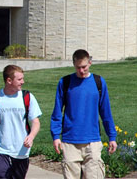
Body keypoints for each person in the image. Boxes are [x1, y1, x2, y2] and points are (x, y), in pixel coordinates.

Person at [50, 49, 117, 179]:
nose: (81, 71)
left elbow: (106, 112)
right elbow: (57, 112)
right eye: (78, 67)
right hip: (70, 142)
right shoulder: (65, 82)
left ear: (90, 63)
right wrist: (56, 136)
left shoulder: (99, 82)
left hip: (92, 141)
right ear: (73, 64)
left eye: (84, 67)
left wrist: (112, 136)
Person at [0, 65, 42, 179]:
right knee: (1, 176)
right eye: (19, 79)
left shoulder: (27, 97)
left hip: (21, 149)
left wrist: (31, 136)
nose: (23, 82)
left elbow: (36, 122)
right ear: (9, 80)